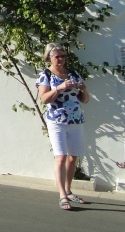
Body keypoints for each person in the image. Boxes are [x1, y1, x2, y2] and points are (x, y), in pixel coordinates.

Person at [36, 43, 90, 210]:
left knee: (73, 157)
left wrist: (83, 89)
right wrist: (59, 88)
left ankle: (68, 190)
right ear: (49, 58)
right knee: (61, 157)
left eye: (63, 56)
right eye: (57, 56)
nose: (61, 59)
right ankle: (62, 195)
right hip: (57, 121)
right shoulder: (45, 75)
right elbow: (44, 99)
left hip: (75, 120)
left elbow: (85, 100)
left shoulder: (73, 73)